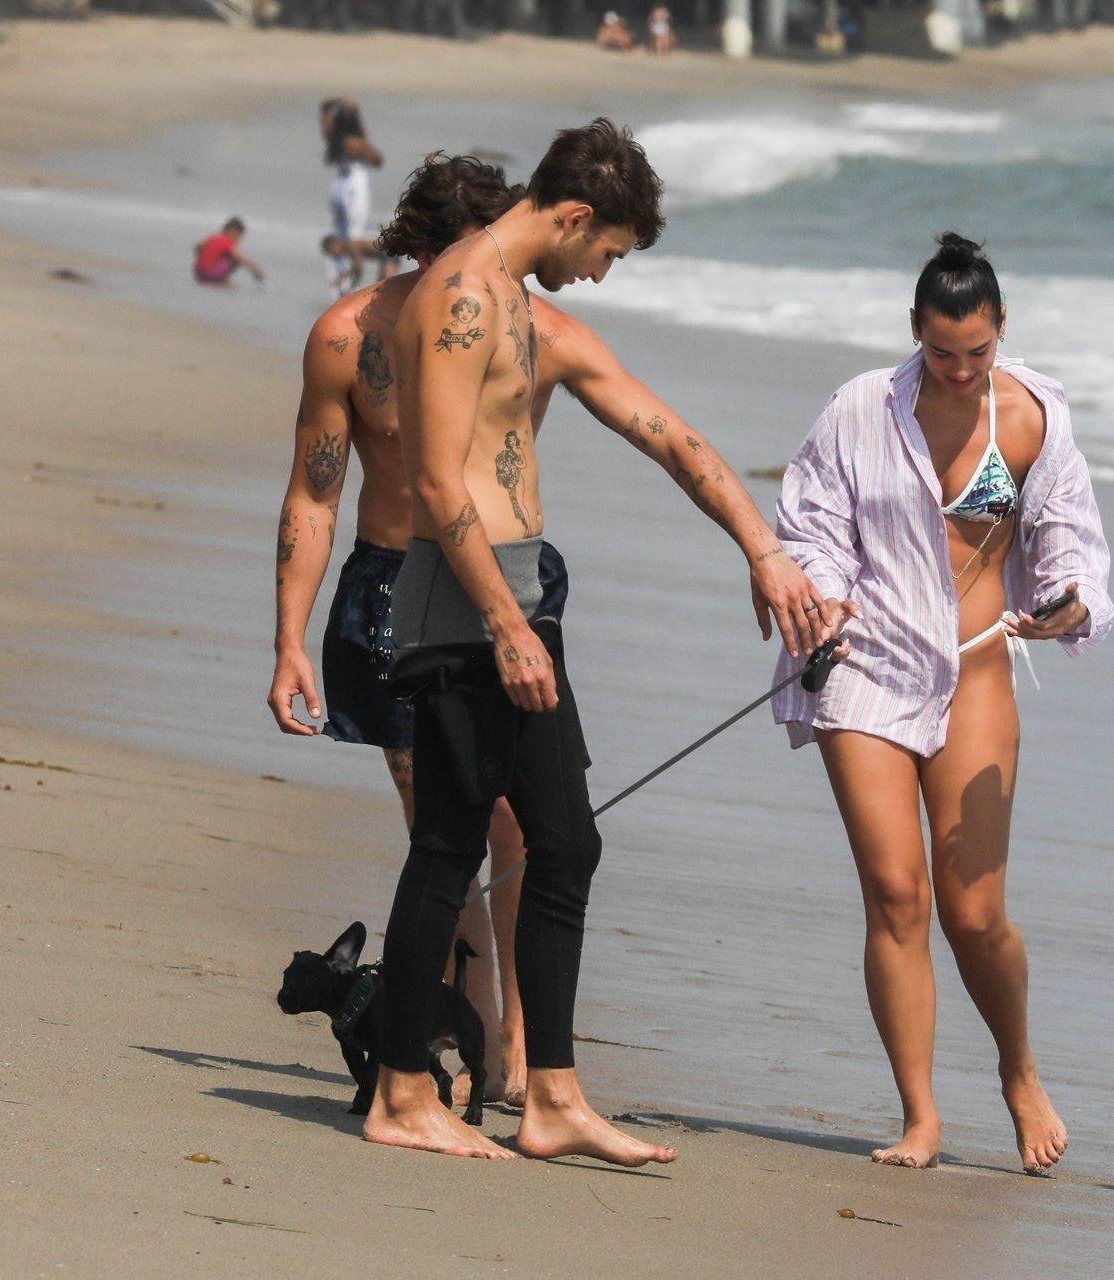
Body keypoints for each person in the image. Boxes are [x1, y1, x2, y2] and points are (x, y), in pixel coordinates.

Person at [269, 148, 822, 1121]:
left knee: (530, 830)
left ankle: (519, 1044)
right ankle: (452, 1043)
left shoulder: (540, 328)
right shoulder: (350, 337)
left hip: (512, 585)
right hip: (399, 594)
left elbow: (671, 437)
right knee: (448, 835)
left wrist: (763, 545)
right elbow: (316, 496)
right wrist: (289, 638)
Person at [771, 234, 1114, 1173]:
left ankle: (1018, 1070)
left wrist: (1070, 602)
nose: (959, 371)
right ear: (914, 333)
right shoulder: (860, 409)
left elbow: (1072, 544)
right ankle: (919, 1115)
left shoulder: (1033, 418)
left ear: (1001, 330)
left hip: (975, 667)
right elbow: (810, 523)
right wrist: (824, 596)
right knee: (895, 894)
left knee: (974, 914)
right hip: (865, 662)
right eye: (940, 352)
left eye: (977, 351)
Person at [321, 98, 383, 286]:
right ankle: (356, 269)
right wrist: (356, 114)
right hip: (355, 184)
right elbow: (377, 161)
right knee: (354, 234)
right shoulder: (356, 142)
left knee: (340, 234)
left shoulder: (334, 138)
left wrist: (335, 103)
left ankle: (339, 280)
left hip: (339, 184)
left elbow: (324, 110)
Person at [321, 233, 398, 297]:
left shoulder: (351, 245)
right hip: (385, 257)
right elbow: (356, 267)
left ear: (335, 245)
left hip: (389, 252)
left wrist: (348, 283)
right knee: (380, 288)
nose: (335, 256)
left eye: (332, 252)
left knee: (386, 286)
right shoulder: (349, 248)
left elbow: (358, 267)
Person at [193, 217, 265, 286]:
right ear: (234, 232)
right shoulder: (227, 241)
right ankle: (221, 279)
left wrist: (205, 258)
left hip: (198, 273)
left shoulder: (214, 237)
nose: (238, 240)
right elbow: (242, 260)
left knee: (226, 255)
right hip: (210, 275)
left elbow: (198, 247)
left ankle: (217, 275)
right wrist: (258, 271)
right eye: (239, 236)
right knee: (234, 259)